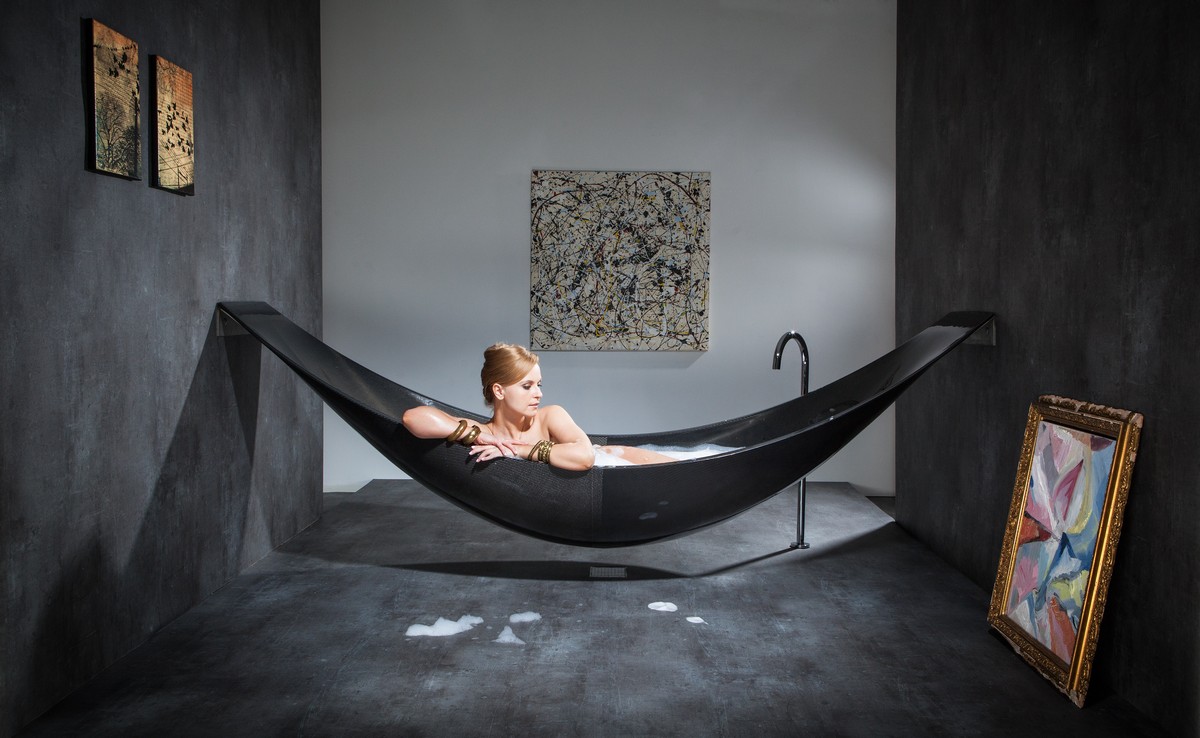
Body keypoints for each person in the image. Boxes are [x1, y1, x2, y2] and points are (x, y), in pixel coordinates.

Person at [401, 343, 677, 470]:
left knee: (688, 470)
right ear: (499, 390)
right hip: (601, 486)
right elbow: (414, 418)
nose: (538, 394)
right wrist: (480, 437)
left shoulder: (550, 416)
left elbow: (585, 457)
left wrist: (518, 450)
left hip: (619, 460)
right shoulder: (484, 433)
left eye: (539, 384)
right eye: (527, 386)